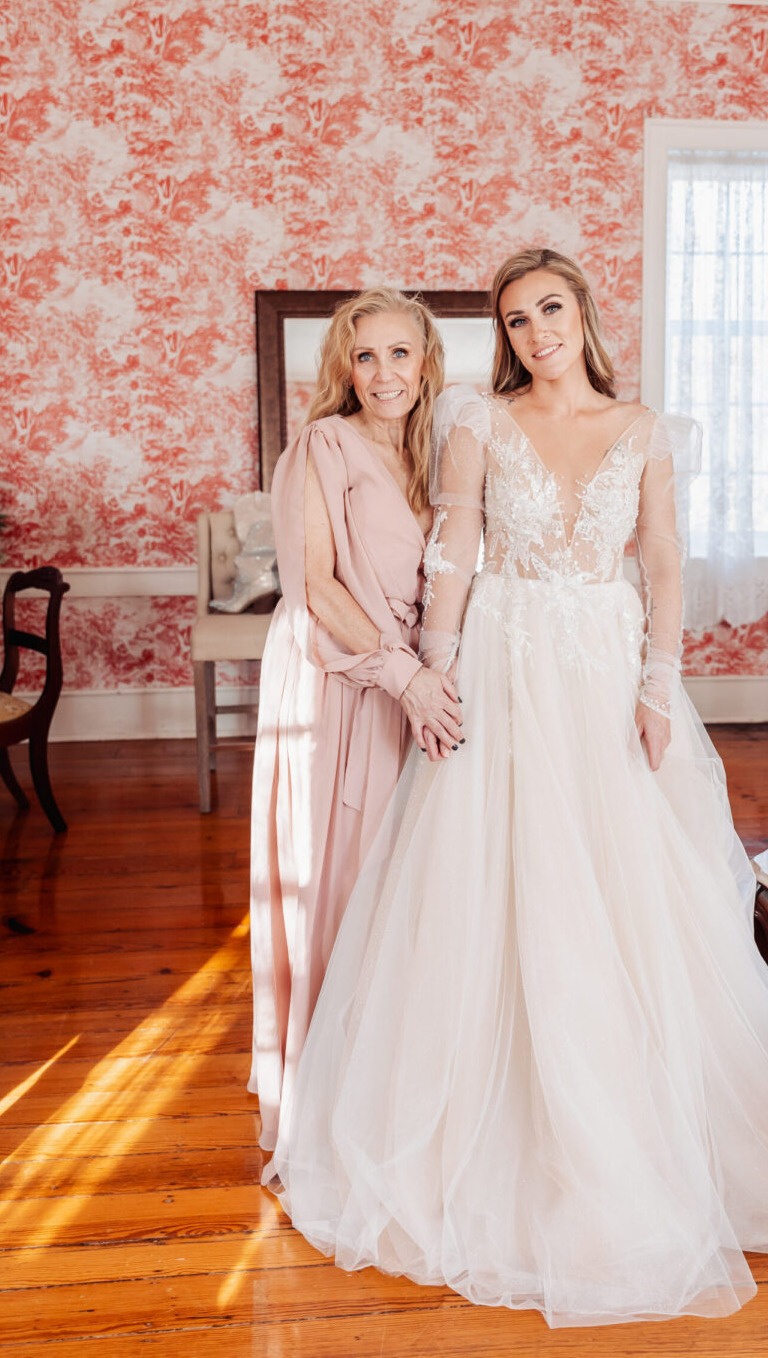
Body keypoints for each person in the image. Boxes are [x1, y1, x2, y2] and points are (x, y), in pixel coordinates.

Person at [268, 249, 768, 1327]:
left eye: (549, 310)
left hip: (603, 664)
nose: (534, 332)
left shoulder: (646, 429)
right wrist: (440, 670)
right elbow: (454, 550)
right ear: (501, 337)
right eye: (514, 320)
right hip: (502, 660)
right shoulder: (476, 419)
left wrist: (660, 684)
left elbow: (661, 560)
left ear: (583, 315)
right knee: (491, 873)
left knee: (618, 882)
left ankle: (635, 1117)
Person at [248, 288, 463, 1151]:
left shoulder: (438, 455)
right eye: (365, 356)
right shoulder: (322, 447)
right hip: (342, 684)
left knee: (411, 873)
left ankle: (399, 1074)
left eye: (400, 355)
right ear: (345, 367)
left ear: (425, 362)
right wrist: (401, 677)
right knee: (346, 875)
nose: (384, 374)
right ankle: (333, 1095)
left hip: (410, 682)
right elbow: (315, 585)